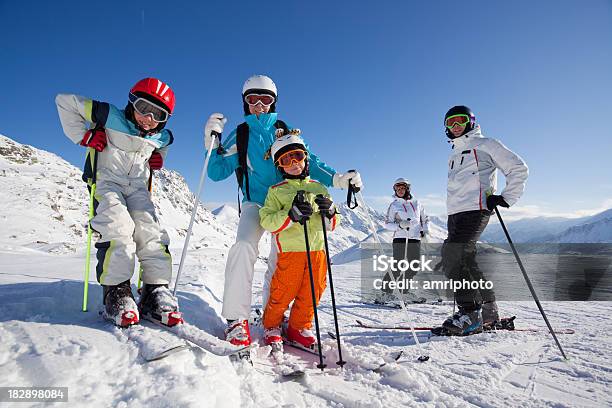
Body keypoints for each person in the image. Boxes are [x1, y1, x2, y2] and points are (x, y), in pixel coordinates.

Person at [203, 75, 362, 347]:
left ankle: (272, 320)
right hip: (256, 203)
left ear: (274, 102)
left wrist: (337, 180)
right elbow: (217, 172)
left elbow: (309, 161)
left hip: (290, 204)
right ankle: (236, 319)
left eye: (266, 99)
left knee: (281, 262)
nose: (259, 105)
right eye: (253, 99)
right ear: (245, 102)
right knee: (243, 246)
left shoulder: (284, 128)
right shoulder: (241, 133)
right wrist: (212, 145)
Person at [56, 78, 180, 328]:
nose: (148, 118)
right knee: (118, 227)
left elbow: (163, 145)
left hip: (137, 188)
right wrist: (86, 136)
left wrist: (157, 158)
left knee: (151, 231)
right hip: (108, 182)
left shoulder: (162, 136)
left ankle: (155, 291)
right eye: (144, 108)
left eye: (158, 115)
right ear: (132, 102)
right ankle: (117, 292)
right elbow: (64, 102)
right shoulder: (107, 114)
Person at [440, 105, 528, 335]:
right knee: (467, 262)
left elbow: (518, 168)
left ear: (470, 121)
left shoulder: (486, 144)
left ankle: (470, 313)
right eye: (450, 122)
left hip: (476, 210)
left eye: (459, 120)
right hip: (455, 214)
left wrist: (507, 197)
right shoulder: (454, 153)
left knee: (453, 254)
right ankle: (489, 312)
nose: (455, 126)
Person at [259, 132, 340, 351]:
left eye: (297, 156)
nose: (294, 163)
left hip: (318, 250)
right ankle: (271, 326)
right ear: (280, 166)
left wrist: (331, 213)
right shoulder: (276, 192)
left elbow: (332, 225)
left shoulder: (319, 188)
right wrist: (290, 215)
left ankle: (298, 327)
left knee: (313, 292)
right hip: (291, 252)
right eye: (286, 160)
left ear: (305, 157)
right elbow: (267, 220)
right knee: (283, 290)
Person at [378, 178, 430, 303]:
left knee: (414, 266)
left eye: (402, 188)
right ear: (395, 190)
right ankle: (384, 294)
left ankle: (403, 292)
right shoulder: (394, 205)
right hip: (400, 237)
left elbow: (425, 219)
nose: (400, 190)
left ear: (407, 189)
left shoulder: (417, 203)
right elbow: (387, 223)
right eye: (397, 188)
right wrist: (400, 225)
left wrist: (424, 230)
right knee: (398, 266)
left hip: (415, 238)